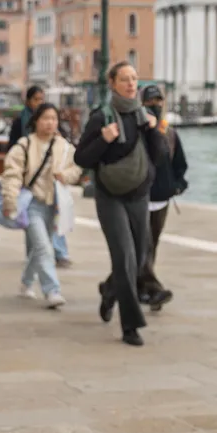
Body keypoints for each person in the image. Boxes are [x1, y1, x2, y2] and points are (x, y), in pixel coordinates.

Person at [74, 62, 166, 347]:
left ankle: (109, 290)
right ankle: (131, 326)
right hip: (109, 196)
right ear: (112, 83)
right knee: (124, 258)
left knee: (139, 258)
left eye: (134, 79)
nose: (130, 84)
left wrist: (153, 131)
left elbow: (159, 156)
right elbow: (81, 159)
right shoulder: (100, 117)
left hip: (139, 195)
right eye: (124, 79)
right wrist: (103, 140)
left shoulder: (145, 116)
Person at [0, 102, 82, 308]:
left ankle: (26, 283)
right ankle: (52, 290)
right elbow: (11, 175)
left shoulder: (64, 147)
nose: (50, 123)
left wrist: (66, 176)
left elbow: (77, 167)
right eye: (45, 118)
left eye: (54, 119)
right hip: (31, 204)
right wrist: (10, 201)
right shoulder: (24, 145)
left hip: (55, 205)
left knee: (39, 248)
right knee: (45, 247)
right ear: (36, 121)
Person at [140, 84, 187, 311]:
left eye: (158, 101)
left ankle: (119, 288)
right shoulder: (136, 131)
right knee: (142, 246)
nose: (155, 105)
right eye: (150, 102)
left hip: (162, 200)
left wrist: (177, 185)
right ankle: (154, 289)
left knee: (151, 246)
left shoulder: (170, 134)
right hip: (138, 198)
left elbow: (180, 164)